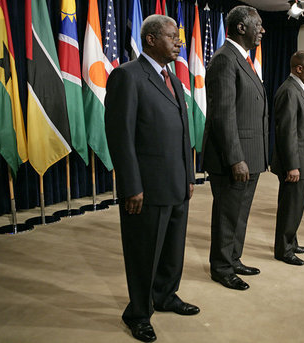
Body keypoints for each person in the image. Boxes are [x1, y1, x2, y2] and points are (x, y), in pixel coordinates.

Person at [105, 15, 199, 343]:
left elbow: (182, 132)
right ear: (151, 39)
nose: (179, 42)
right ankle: (139, 313)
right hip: (145, 188)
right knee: (144, 253)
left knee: (173, 250)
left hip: (176, 183)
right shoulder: (126, 76)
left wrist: (189, 175)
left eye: (179, 37)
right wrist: (131, 186)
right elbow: (120, 137)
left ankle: (166, 295)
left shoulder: (172, 78)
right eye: (173, 37)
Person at [202, 5, 268, 291]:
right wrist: (235, 159)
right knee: (228, 215)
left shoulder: (242, 59)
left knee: (240, 214)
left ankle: (233, 258)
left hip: (249, 155)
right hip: (234, 158)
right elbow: (223, 115)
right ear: (241, 27)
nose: (263, 30)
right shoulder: (224, 60)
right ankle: (221, 267)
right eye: (259, 24)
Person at [271, 51, 304, 266]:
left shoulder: (299, 89)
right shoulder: (289, 91)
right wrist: (292, 166)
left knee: (296, 207)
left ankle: (291, 242)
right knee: (289, 208)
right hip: (295, 165)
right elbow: (287, 132)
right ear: (299, 68)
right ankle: (283, 250)